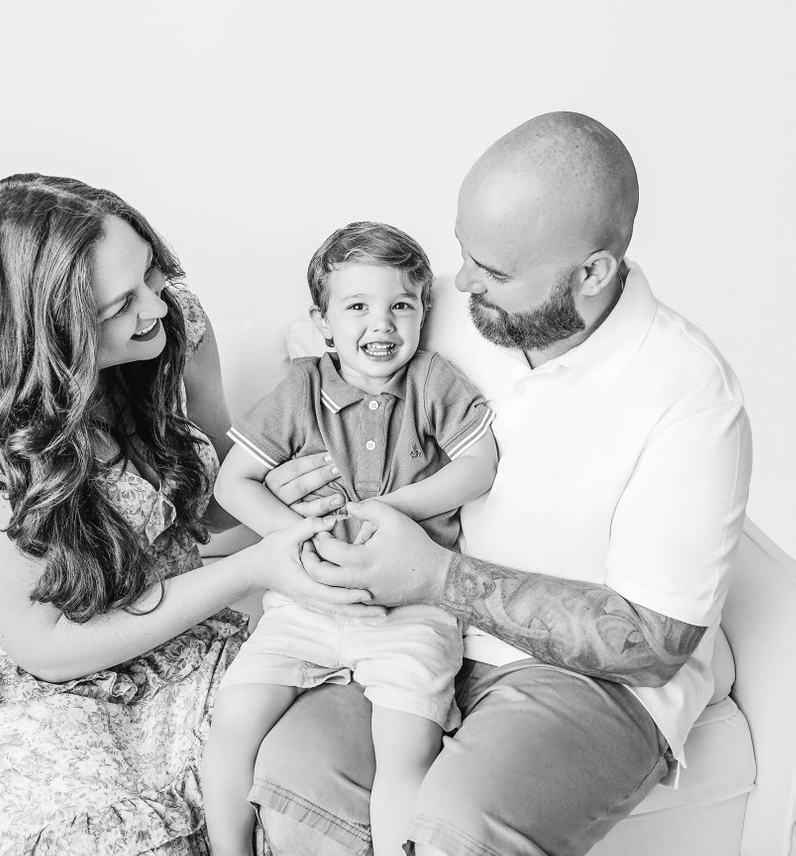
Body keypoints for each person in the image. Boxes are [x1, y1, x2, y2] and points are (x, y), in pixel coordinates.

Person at [0, 174, 371, 855]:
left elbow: (208, 502)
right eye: (119, 303)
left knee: (303, 773)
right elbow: (42, 647)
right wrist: (253, 566)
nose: (155, 308)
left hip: (139, 616)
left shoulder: (173, 325)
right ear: (47, 324)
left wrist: (275, 496)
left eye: (152, 274)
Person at [249, 112, 753, 856]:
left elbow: (652, 642)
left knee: (457, 824)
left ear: (591, 273)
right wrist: (309, 463)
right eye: (462, 250)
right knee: (294, 776)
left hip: (585, 681)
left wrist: (432, 574)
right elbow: (316, 347)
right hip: (411, 635)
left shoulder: (688, 394)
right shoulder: (452, 308)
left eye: (495, 270)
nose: (462, 281)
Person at [201, 222, 497, 856]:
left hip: (413, 610)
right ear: (324, 322)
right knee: (231, 722)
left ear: (422, 315)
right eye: (357, 306)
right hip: (309, 604)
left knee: (405, 749)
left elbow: (479, 467)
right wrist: (299, 534)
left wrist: (392, 507)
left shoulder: (434, 382)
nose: (381, 325)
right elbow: (234, 483)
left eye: (402, 306)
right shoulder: (302, 391)